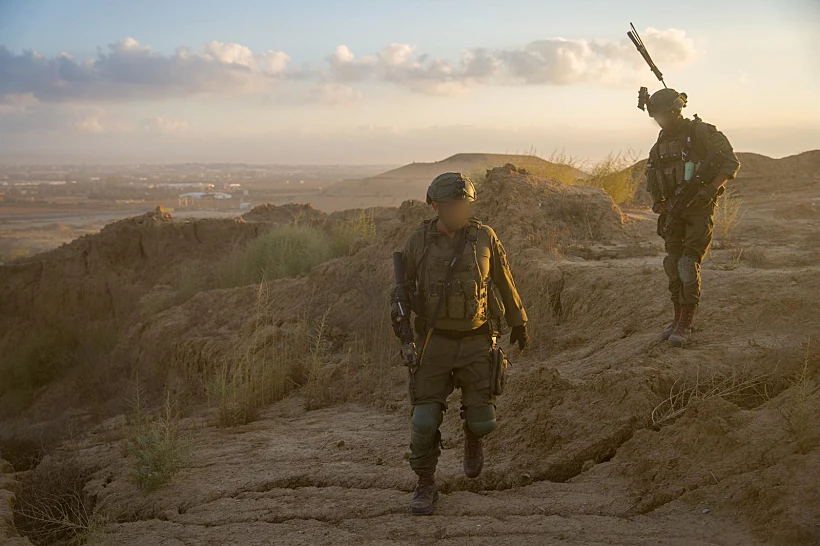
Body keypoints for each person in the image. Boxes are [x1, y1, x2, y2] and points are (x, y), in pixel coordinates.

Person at [390, 172, 529, 515]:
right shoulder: (418, 241)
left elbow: (504, 280)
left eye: (464, 205)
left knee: (484, 421)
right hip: (434, 342)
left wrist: (519, 322)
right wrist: (404, 331)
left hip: (477, 340)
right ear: (436, 207)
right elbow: (401, 294)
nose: (460, 211)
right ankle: (425, 483)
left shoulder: (484, 236)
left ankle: (472, 437)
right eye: (453, 206)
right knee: (424, 420)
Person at [644, 89, 741, 346]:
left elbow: (731, 162)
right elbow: (653, 173)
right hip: (673, 211)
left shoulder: (701, 132)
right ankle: (677, 318)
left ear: (675, 111)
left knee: (688, 265)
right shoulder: (662, 140)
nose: (659, 121)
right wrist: (659, 203)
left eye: (662, 115)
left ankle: (686, 323)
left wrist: (711, 190)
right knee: (672, 264)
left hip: (698, 209)